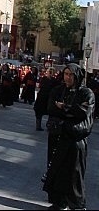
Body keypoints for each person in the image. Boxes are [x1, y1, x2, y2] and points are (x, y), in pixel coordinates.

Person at [43, 63, 94, 210]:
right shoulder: (58, 90)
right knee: (56, 171)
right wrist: (69, 112)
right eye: (66, 74)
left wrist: (64, 107)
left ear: (77, 76)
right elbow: (51, 108)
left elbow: (83, 112)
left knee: (74, 174)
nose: (68, 77)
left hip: (75, 139)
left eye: (71, 74)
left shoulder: (86, 93)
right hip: (58, 135)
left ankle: (77, 206)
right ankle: (59, 202)